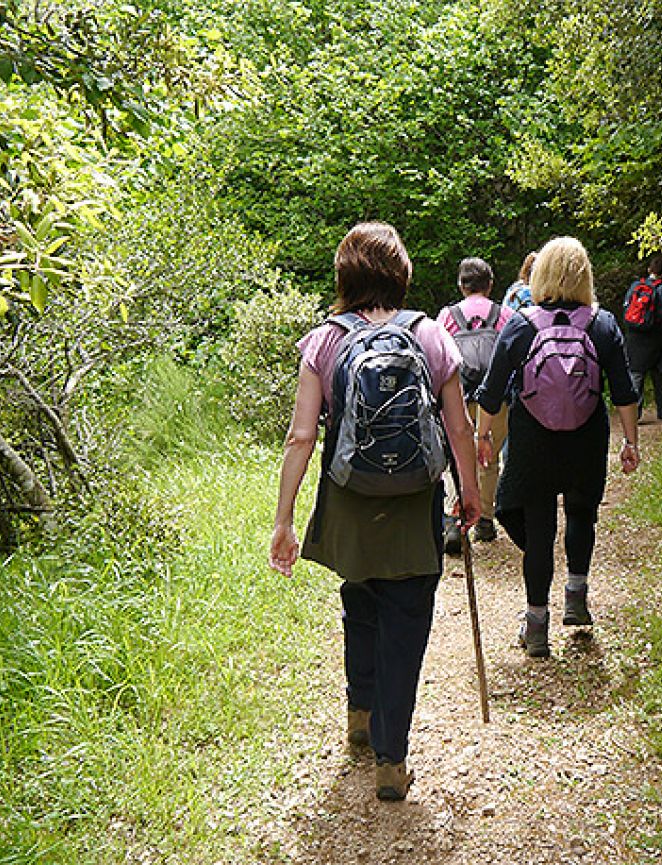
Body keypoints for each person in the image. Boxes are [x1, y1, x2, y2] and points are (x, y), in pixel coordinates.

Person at [269, 222, 482, 802]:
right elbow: (459, 427)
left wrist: (284, 519)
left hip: (349, 498)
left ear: (344, 276)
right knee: (406, 620)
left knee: (358, 599)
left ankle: (359, 714)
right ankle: (392, 756)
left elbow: (300, 437)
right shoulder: (432, 337)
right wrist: (470, 491)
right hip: (414, 501)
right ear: (402, 273)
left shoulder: (323, 342)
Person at [475, 236, 640, 658]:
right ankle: (576, 596)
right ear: (584, 274)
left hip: (534, 441)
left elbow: (491, 392)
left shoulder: (520, 324)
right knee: (583, 512)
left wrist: (483, 437)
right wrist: (630, 441)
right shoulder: (601, 324)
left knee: (539, 527)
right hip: (586, 436)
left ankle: (535, 626)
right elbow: (623, 390)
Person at [436, 257, 513, 550]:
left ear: (461, 284)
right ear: (490, 284)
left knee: (457, 457)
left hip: (457, 397)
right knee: (490, 458)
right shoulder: (504, 314)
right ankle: (484, 519)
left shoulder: (447, 316)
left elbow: (437, 358)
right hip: (494, 402)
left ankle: (456, 521)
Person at [622, 255, 662, 420]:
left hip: (635, 337)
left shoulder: (635, 286)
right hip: (657, 338)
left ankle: (634, 413)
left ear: (649, 270)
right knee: (659, 374)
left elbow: (626, 312)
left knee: (636, 375)